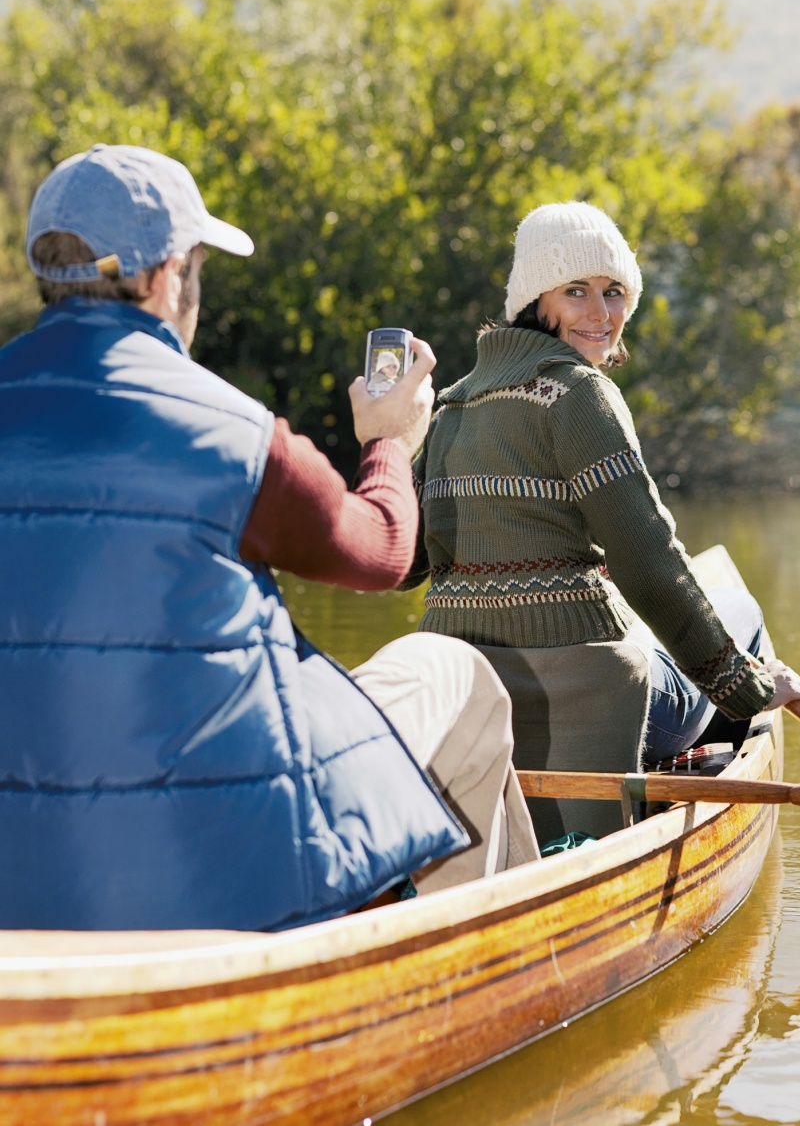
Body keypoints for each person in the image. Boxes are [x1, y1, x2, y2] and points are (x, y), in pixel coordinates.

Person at [0, 143, 538, 932]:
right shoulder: (238, 437)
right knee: (456, 669)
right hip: (217, 877)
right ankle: (482, 967)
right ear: (169, 274)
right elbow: (385, 550)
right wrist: (389, 441)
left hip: (24, 885)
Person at [401, 201, 800, 843]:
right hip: (593, 698)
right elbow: (650, 565)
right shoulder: (577, 394)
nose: (600, 313)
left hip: (473, 695)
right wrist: (746, 684)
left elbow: (401, 565)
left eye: (614, 291)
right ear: (535, 300)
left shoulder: (450, 406)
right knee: (742, 609)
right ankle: (725, 725)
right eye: (575, 292)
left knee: (668, 625)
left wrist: (394, 449)